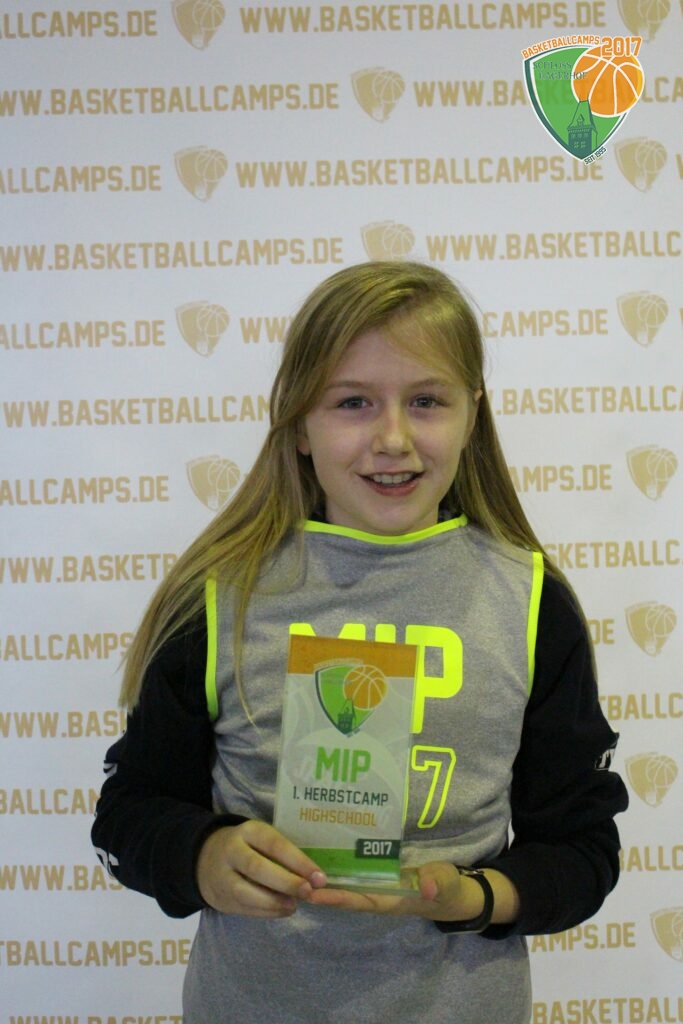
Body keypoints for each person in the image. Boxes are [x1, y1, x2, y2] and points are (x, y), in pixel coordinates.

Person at [92, 261, 628, 1024]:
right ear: (298, 423)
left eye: (427, 401)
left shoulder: (532, 603)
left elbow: (582, 851)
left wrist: (473, 896)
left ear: (472, 415)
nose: (392, 438)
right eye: (352, 403)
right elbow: (128, 813)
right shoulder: (218, 598)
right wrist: (203, 857)